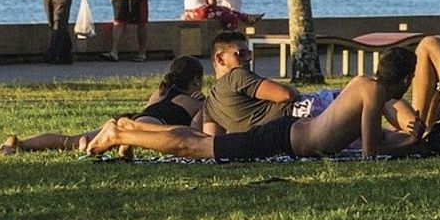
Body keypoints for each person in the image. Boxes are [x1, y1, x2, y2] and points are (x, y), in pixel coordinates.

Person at [82, 47, 419, 161]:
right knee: (198, 149)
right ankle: (121, 134)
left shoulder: (362, 84)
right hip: (281, 138)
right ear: (406, 80)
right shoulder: (373, 93)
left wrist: (407, 137)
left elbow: (378, 138)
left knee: (200, 142)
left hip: (291, 131)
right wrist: (416, 142)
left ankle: (131, 128)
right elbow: (371, 154)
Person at [0, 55, 207, 155]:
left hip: (130, 120)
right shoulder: (197, 103)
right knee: (183, 134)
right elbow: (198, 131)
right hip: (149, 126)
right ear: (196, 81)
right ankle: (123, 145)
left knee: (70, 139)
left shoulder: (159, 92)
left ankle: (19, 144)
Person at [200, 30, 297, 134]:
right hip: (302, 115)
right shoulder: (236, 76)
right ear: (220, 59)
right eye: (241, 54)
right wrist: (294, 90)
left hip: (279, 135)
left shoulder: (210, 105)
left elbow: (212, 141)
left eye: (248, 54)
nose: (248, 59)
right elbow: (287, 94)